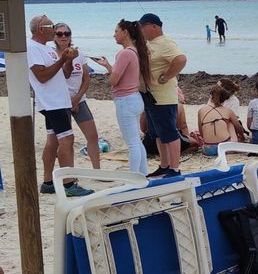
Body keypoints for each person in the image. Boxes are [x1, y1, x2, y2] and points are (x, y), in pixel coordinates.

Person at [27, 15, 92, 197]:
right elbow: (42, 75)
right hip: (52, 102)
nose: (54, 29)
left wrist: (68, 59)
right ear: (41, 29)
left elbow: (64, 74)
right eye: (52, 26)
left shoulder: (47, 49)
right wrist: (62, 59)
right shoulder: (32, 47)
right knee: (67, 139)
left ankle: (48, 182)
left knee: (53, 140)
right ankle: (69, 184)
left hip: (57, 100)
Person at [93, 20, 152, 175]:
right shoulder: (135, 51)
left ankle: (134, 179)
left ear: (125, 32)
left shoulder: (125, 53)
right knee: (137, 142)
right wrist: (107, 66)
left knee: (132, 143)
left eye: (116, 31)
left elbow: (114, 80)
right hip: (134, 98)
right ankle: (142, 174)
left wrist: (110, 75)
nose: (114, 35)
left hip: (125, 100)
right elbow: (124, 75)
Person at [138, 13, 187, 178]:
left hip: (164, 97)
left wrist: (166, 76)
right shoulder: (148, 43)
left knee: (169, 133)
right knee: (157, 133)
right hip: (149, 95)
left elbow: (180, 59)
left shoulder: (166, 43)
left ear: (154, 26)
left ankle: (175, 168)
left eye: (142, 26)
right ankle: (164, 165)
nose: (141, 30)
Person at [52, 23, 100, 169]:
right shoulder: (51, 55)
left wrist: (77, 99)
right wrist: (69, 101)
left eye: (67, 33)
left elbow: (86, 80)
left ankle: (97, 170)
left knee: (93, 136)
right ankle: (69, 173)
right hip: (60, 102)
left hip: (79, 99)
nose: (63, 36)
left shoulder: (79, 54)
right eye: (59, 34)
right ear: (54, 36)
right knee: (64, 141)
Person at [197, 86, 245, 155]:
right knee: (229, 123)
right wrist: (242, 137)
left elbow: (201, 133)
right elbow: (238, 128)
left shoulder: (201, 110)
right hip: (225, 148)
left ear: (211, 96)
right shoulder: (228, 111)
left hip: (208, 149)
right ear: (225, 99)